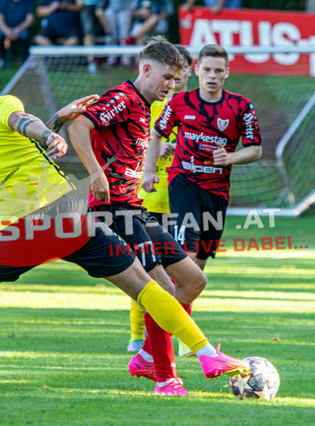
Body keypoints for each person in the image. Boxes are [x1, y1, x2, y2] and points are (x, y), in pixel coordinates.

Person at [0, 71, 251, 391]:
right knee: (146, 287)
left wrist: (56, 123)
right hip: (70, 215)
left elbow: (17, 150)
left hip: (29, 229)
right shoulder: (0, 105)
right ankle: (206, 354)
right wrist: (50, 132)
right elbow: (21, 123)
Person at [68, 37, 217, 396]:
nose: (171, 85)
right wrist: (96, 174)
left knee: (193, 281)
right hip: (112, 212)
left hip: (135, 209)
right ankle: (166, 379)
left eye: (176, 79)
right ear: (146, 69)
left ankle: (149, 355)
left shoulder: (145, 106)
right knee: (161, 289)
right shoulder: (122, 98)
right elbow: (78, 127)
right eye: (166, 77)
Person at [141, 44, 262, 272]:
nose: (212, 76)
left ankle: (179, 296)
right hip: (183, 181)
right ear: (197, 70)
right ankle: (165, 296)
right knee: (186, 253)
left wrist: (230, 157)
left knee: (200, 260)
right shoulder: (179, 102)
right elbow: (155, 135)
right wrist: (149, 172)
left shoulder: (241, 106)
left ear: (227, 72)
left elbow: (255, 150)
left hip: (217, 190)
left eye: (218, 70)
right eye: (207, 69)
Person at [127, 44, 192, 355]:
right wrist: (154, 150)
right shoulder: (151, 105)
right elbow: (137, 144)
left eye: (182, 73)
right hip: (149, 200)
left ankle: (179, 335)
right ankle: (137, 336)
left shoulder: (193, 109)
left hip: (181, 199)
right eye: (172, 74)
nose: (177, 79)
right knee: (147, 271)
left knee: (186, 274)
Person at [0, 0, 33, 69]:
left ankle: (24, 61)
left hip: (21, 28)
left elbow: (30, 19)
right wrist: (6, 30)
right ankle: (3, 59)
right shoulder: (4, 1)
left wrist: (18, 29)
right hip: (6, 28)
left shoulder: (27, 1)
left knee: (25, 36)